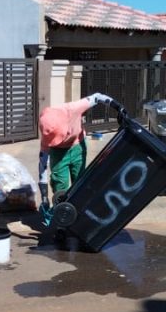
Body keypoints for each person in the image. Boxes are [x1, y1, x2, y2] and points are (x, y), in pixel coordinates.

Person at [37, 92, 113, 225]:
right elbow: (42, 164)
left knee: (80, 185)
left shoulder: (72, 109)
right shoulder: (46, 130)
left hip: (77, 146)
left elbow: (98, 97)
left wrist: (118, 107)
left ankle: (80, 218)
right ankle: (62, 220)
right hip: (58, 153)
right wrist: (44, 196)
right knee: (60, 188)